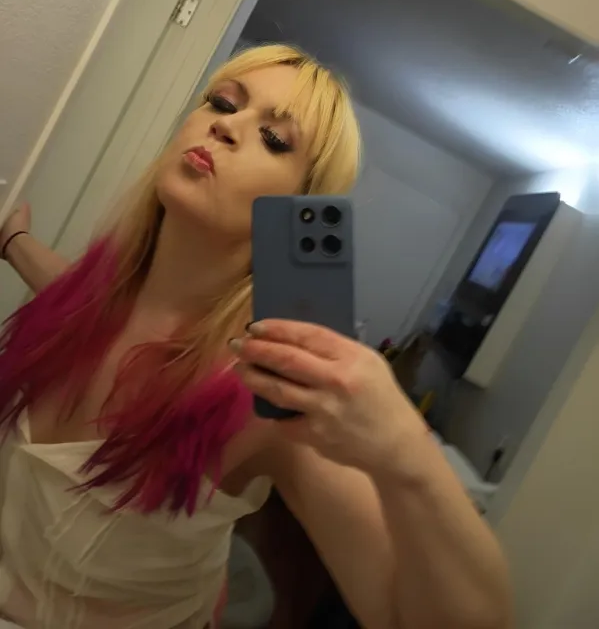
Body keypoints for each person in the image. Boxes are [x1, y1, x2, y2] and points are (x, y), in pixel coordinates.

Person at [0, 44, 512, 629]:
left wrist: (406, 452)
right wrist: (13, 241)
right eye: (223, 103)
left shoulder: (268, 391)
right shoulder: (90, 300)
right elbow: (64, 285)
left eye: (274, 139)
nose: (226, 125)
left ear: (294, 213)